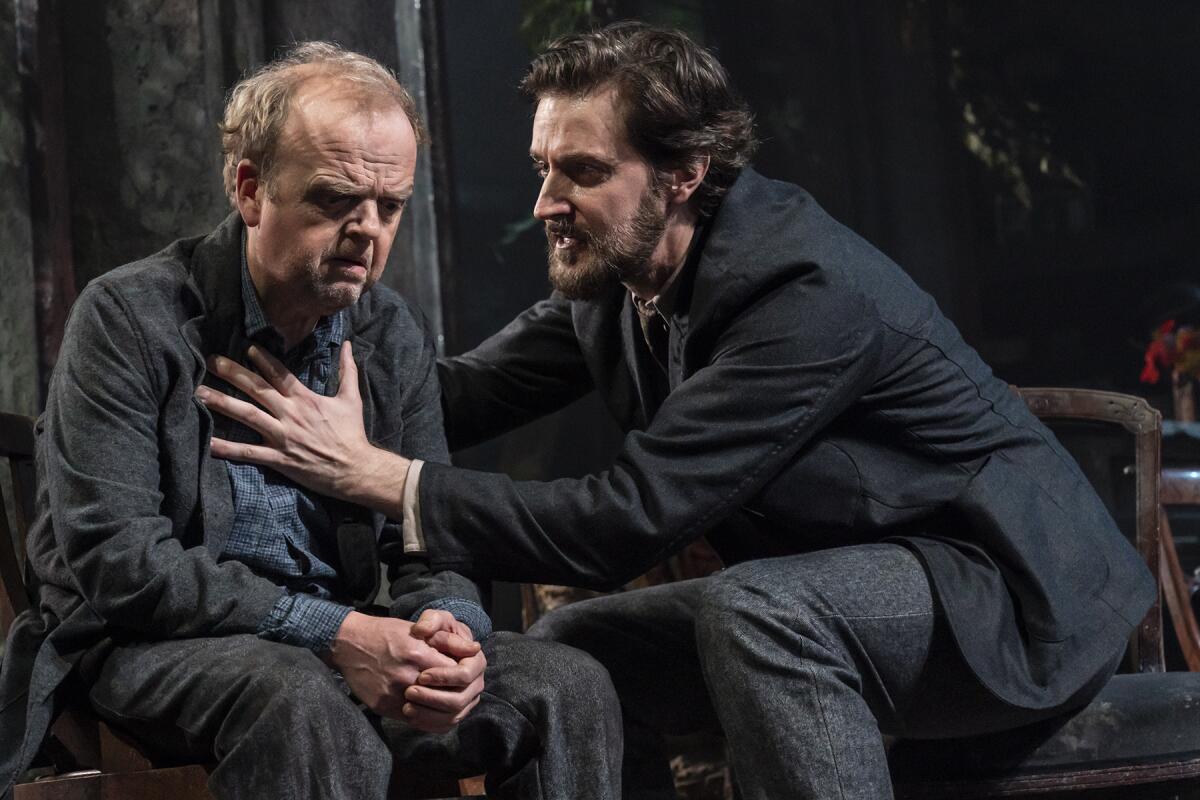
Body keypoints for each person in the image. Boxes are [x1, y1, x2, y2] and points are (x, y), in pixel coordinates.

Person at [201, 23, 1155, 800]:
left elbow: (628, 518)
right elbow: (447, 396)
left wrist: (377, 475)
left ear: (684, 172)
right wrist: (269, 342)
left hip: (1008, 598)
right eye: (542, 167)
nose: (545, 202)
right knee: (577, 646)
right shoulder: (615, 282)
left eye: (580, 171)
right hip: (849, 588)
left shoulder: (805, 294)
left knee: (761, 611)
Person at [0, 42, 621, 800]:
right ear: (251, 189)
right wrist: (337, 633)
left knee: (567, 681)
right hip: (155, 642)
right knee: (298, 696)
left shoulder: (388, 333)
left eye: (389, 207)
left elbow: (433, 540)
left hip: (343, 636)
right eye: (336, 201)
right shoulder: (131, 318)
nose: (368, 232)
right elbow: (121, 563)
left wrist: (450, 629)